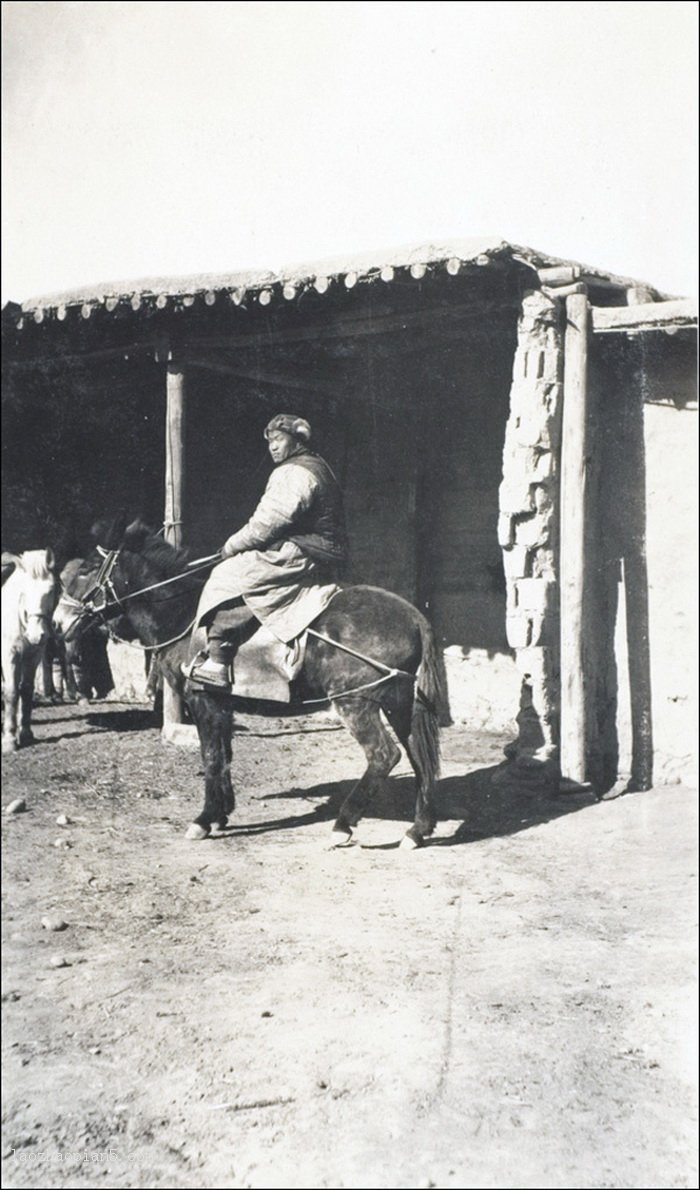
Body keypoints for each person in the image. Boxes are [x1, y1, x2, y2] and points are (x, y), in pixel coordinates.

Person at [185, 413, 347, 692]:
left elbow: (266, 523)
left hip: (306, 551)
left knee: (228, 575)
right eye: (270, 441)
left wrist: (230, 547)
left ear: (296, 441)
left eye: (279, 439)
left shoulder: (294, 472)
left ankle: (218, 661)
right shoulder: (319, 466)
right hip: (322, 550)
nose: (273, 447)